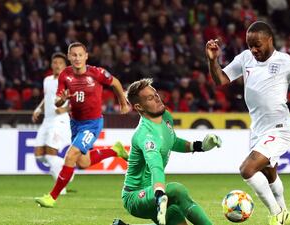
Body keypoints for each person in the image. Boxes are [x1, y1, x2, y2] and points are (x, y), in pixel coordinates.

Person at [205, 21, 290, 225]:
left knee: (247, 169)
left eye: (257, 44)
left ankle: (277, 214)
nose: (254, 49)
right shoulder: (245, 58)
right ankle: (286, 213)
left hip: (280, 128)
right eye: (250, 45)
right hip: (258, 128)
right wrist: (213, 61)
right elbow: (221, 80)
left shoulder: (287, 62)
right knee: (268, 172)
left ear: (270, 40)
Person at [35, 42, 131, 208]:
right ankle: (115, 150)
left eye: (80, 55)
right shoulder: (65, 75)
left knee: (70, 155)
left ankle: (52, 197)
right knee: (83, 162)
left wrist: (123, 103)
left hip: (92, 124)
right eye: (74, 55)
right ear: (69, 57)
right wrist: (62, 100)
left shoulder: (97, 73)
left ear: (86, 56)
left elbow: (115, 82)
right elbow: (57, 102)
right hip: (75, 123)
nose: (77, 58)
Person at [119, 78, 221, 225]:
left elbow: (172, 141)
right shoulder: (144, 135)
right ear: (139, 107)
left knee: (177, 215)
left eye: (155, 94)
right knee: (177, 190)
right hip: (136, 197)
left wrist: (200, 146)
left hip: (158, 195)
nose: (156, 98)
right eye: (149, 98)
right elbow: (156, 166)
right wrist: (160, 194)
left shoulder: (165, 117)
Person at [32, 52, 72, 195]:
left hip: (59, 120)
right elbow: (46, 97)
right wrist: (38, 109)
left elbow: (75, 100)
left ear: (65, 66)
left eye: (60, 63)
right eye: (54, 63)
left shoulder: (68, 81)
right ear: (51, 65)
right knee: (39, 156)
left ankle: (61, 189)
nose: (57, 65)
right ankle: (69, 168)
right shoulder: (47, 80)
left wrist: (67, 108)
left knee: (50, 155)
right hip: (47, 120)